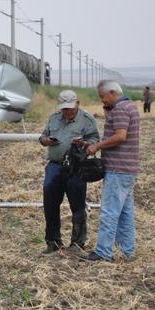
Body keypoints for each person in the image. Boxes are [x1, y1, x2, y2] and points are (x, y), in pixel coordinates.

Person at [82, 80, 141, 262]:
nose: (102, 101)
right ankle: (126, 251)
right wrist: (109, 113)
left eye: (103, 97)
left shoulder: (121, 109)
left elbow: (120, 135)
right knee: (125, 213)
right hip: (128, 169)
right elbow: (119, 129)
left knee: (109, 212)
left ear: (113, 92)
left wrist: (97, 146)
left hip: (118, 169)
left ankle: (103, 252)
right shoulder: (129, 106)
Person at [38, 90, 100, 253]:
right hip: (55, 166)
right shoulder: (54, 118)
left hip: (77, 166)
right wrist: (46, 141)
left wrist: (83, 144)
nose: (67, 112)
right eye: (64, 109)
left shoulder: (87, 120)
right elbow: (43, 137)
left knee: (77, 204)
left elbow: (95, 141)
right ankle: (53, 242)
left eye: (70, 108)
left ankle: (77, 243)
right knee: (50, 204)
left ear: (77, 104)